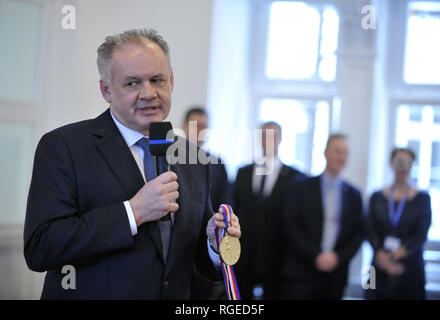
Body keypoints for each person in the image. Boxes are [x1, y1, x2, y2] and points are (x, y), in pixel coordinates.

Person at [23, 28, 241, 299]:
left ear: (171, 81)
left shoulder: (193, 157)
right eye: (132, 83)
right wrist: (132, 213)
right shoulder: (64, 146)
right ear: (106, 90)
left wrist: (212, 243)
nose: (148, 93)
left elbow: (190, 261)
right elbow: (41, 248)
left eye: (157, 80)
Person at [281, 133, 364, 300]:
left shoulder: (354, 195)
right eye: (337, 151)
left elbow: (359, 233)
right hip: (301, 272)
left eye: (345, 153)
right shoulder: (301, 187)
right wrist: (316, 255)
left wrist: (337, 258)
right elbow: (290, 225)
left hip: (335, 275)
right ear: (325, 152)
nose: (341, 157)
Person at [233, 121, 305, 299]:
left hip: (277, 257)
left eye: (272, 136)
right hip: (244, 255)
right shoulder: (243, 173)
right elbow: (236, 208)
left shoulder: (296, 178)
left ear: (280, 139)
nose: (268, 140)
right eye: (264, 136)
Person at [365, 147, 432, 300]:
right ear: (391, 163)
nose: (403, 167)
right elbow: (369, 229)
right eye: (399, 162)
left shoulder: (422, 198)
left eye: (408, 162)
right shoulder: (376, 197)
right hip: (378, 265)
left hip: (410, 266)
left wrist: (396, 256)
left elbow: (421, 234)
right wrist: (382, 257)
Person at [182, 106, 232, 299]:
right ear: (185, 126)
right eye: (196, 125)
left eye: (204, 126)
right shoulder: (167, 158)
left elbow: (224, 205)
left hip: (204, 247)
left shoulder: (217, 164)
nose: (200, 130)